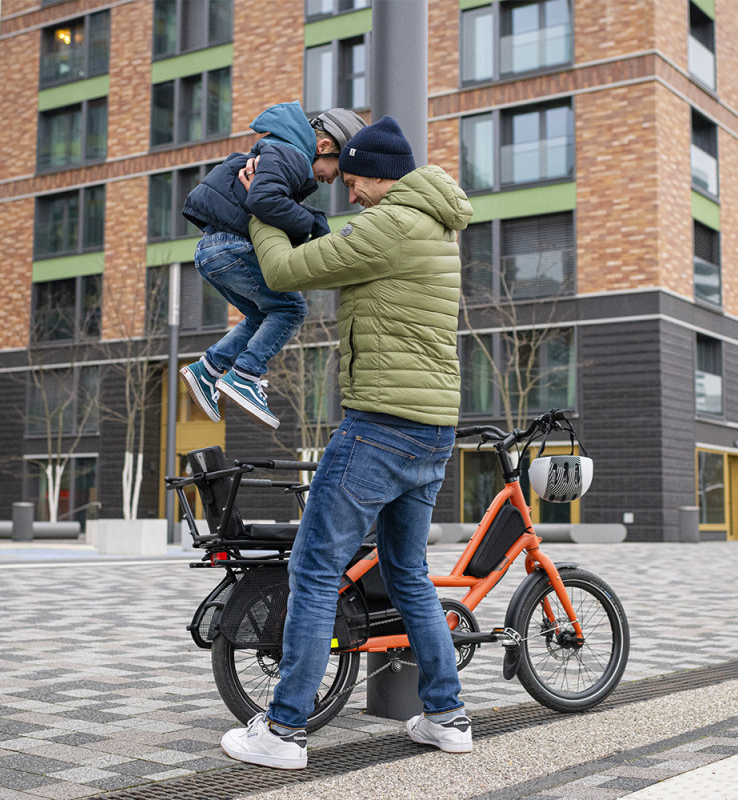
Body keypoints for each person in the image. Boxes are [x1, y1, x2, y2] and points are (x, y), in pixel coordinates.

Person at [220, 116, 474, 770]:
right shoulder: (434, 224)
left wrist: (259, 204)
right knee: (409, 574)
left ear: (376, 174)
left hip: (379, 427)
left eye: (354, 180)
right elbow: (342, 246)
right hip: (431, 430)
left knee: (314, 568)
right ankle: (447, 716)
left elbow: (282, 270)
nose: (350, 194)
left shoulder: (388, 226)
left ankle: (283, 730)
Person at [179, 101, 367, 428]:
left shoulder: (278, 153)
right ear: (323, 147)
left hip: (213, 251)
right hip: (231, 247)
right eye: (335, 172)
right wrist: (313, 224)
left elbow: (267, 206)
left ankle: (207, 370)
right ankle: (246, 374)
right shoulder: (291, 155)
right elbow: (264, 201)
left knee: (264, 314)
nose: (330, 180)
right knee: (292, 310)